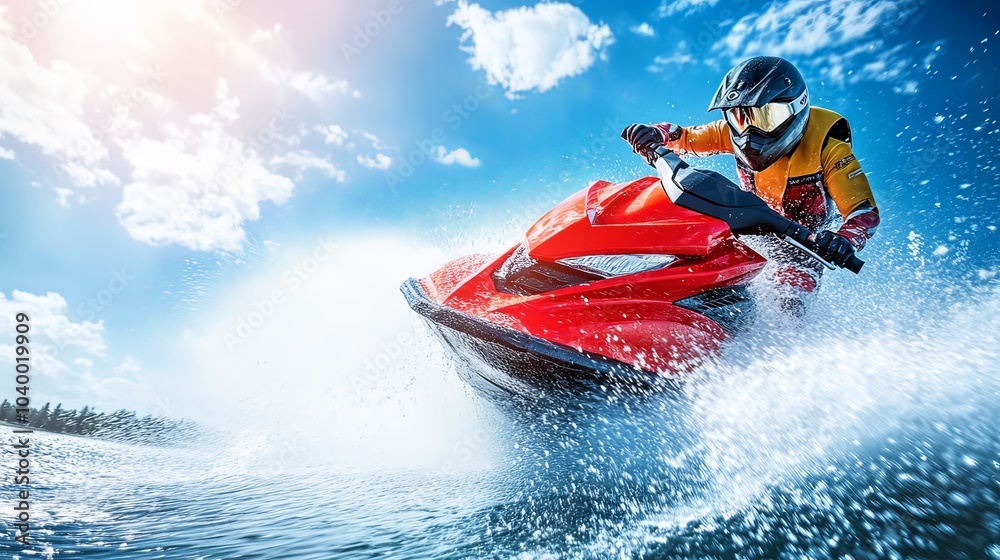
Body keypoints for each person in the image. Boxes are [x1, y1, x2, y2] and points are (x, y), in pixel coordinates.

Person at [623, 56, 879, 311]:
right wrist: (656, 132)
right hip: (749, 231)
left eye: (766, 117)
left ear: (796, 109)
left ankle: (777, 345)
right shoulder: (731, 133)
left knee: (787, 299)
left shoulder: (830, 148)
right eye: (741, 117)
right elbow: (684, 136)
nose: (750, 133)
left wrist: (844, 240)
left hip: (803, 248)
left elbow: (863, 212)